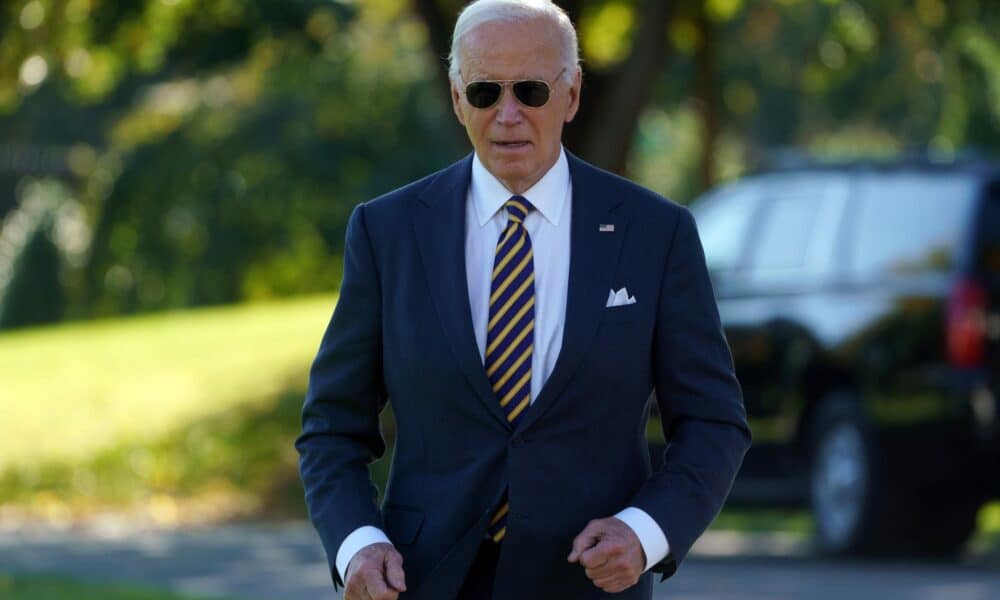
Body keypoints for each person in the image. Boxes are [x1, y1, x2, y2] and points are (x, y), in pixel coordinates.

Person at [295, 1, 751, 598]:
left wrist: (644, 533)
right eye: (485, 92)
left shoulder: (655, 233)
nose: (507, 115)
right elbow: (332, 426)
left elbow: (713, 423)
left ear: (573, 94)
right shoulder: (387, 232)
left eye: (532, 91)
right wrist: (357, 543)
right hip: (423, 581)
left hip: (588, 584)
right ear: (458, 98)